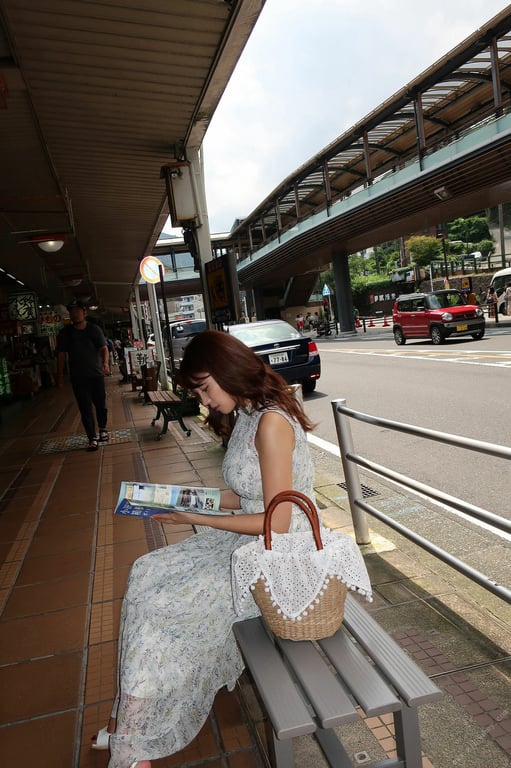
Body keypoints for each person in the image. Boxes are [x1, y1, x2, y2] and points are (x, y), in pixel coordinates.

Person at [92, 330, 318, 767]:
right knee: (146, 572)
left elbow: (279, 519)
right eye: (197, 391)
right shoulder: (250, 414)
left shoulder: (270, 422)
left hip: (281, 555)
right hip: (253, 539)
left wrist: (193, 516)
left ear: (227, 370)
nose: (203, 400)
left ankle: (135, 738)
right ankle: (131, 722)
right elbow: (246, 496)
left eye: (204, 387)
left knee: (160, 603)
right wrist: (187, 498)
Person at [56, 300, 110, 451]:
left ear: (84, 313)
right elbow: (61, 355)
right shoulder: (65, 332)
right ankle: (92, 437)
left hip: (96, 374)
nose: (74, 314)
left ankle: (103, 429)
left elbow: (104, 348)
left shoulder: (94, 329)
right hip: (78, 377)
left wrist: (105, 363)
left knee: (101, 405)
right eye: (72, 311)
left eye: (77, 310)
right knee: (85, 407)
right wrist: (59, 375)